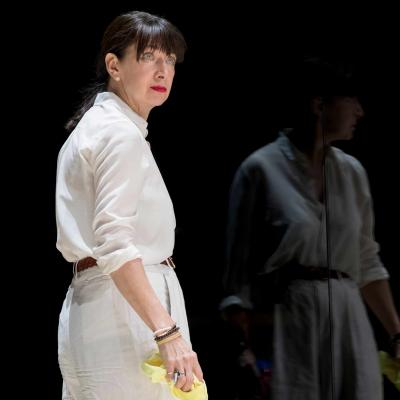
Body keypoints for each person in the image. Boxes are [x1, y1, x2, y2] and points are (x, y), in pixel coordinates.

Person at [223, 57, 400, 399]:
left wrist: (395, 333)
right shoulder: (261, 169)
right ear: (319, 104)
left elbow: (367, 261)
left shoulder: (352, 173)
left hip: (349, 317)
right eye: (352, 102)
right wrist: (243, 346)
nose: (360, 112)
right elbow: (237, 278)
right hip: (291, 320)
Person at [56, 11, 204, 399]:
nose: (162, 71)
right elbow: (115, 242)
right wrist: (167, 331)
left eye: (169, 60)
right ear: (113, 65)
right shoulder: (117, 133)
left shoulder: (102, 126)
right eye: (148, 56)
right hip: (125, 313)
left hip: (105, 304)